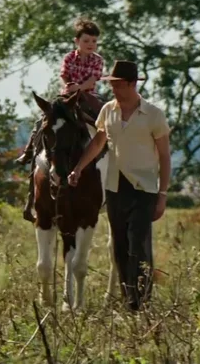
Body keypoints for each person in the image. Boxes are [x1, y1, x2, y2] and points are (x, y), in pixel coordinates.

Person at [67, 60, 171, 311]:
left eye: (118, 85)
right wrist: (78, 167)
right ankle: (129, 300)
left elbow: (165, 156)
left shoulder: (153, 115)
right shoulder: (108, 111)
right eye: (111, 84)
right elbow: (98, 142)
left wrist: (163, 194)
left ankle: (142, 301)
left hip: (144, 188)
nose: (113, 89)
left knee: (138, 244)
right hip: (115, 187)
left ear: (132, 84)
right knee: (120, 246)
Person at [16, 17, 107, 222]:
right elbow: (64, 75)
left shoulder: (97, 60)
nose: (90, 44)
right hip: (67, 96)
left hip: (88, 96)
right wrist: (69, 87)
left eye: (94, 41)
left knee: (104, 118)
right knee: (44, 119)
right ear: (77, 41)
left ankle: (112, 149)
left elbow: (93, 80)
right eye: (86, 41)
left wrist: (79, 88)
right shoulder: (69, 57)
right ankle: (30, 150)